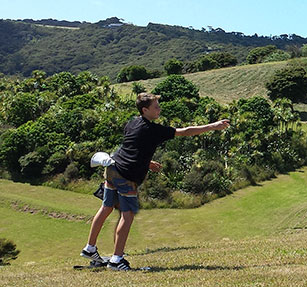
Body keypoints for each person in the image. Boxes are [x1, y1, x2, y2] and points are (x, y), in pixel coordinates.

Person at [80, 92, 230, 271]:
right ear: (145, 110)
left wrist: (147, 162)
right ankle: (116, 260)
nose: (159, 109)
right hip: (126, 175)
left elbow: (132, 147)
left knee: (106, 207)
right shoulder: (154, 130)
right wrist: (213, 126)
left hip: (112, 167)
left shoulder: (132, 123)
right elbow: (186, 131)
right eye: (156, 107)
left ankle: (90, 249)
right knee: (127, 216)